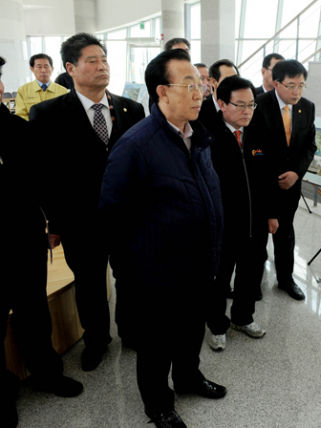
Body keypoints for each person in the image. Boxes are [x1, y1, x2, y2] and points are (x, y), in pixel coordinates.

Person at [99, 48, 226, 428]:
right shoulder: (136, 145)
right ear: (161, 92)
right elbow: (111, 214)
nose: (198, 92)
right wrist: (135, 273)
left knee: (190, 331)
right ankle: (158, 404)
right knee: (156, 345)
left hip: (199, 263)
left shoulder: (197, 135)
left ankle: (188, 378)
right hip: (155, 274)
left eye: (200, 84)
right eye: (188, 85)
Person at [29, 33, 145, 371]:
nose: (101, 66)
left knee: (130, 278)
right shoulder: (47, 113)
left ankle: (131, 331)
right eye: (92, 60)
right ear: (71, 67)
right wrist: (55, 223)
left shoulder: (131, 109)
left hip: (127, 218)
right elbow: (44, 175)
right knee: (91, 284)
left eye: (104, 59)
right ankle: (97, 340)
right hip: (81, 221)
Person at [0, 56, 83, 428]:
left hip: (21, 236)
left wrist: (55, 223)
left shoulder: (18, 129)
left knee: (33, 309)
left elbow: (43, 181)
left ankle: (46, 371)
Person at [199, 75, 279, 351]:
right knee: (220, 279)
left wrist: (271, 214)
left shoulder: (258, 131)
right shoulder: (206, 136)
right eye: (240, 105)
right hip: (222, 225)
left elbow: (269, 178)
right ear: (221, 103)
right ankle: (217, 326)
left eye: (252, 105)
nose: (247, 111)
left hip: (255, 222)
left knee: (251, 273)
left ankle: (243, 318)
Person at [256, 59, 316, 301]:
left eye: (301, 86)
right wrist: (272, 176)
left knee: (285, 233)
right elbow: (254, 150)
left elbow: (310, 146)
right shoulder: (259, 105)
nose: (297, 92)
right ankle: (253, 280)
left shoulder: (307, 107)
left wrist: (296, 174)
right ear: (276, 83)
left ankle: (285, 279)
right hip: (262, 184)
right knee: (259, 235)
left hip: (291, 186)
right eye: (291, 86)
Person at [14, 53, 68, 120]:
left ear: (52, 69)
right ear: (32, 69)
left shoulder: (63, 91)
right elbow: (21, 115)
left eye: (46, 66)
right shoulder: (22, 90)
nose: (43, 70)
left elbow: (67, 114)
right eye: (39, 67)